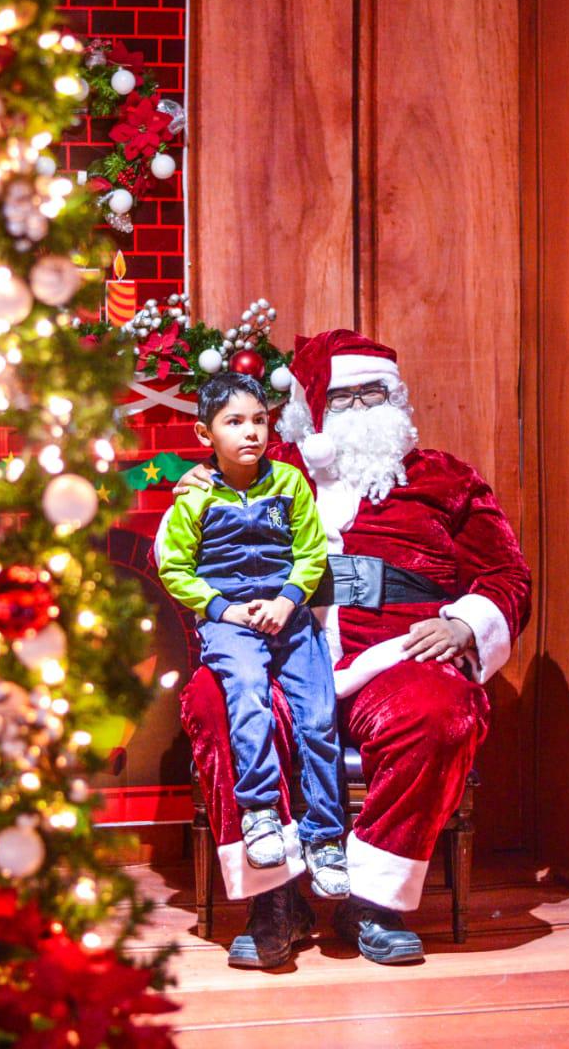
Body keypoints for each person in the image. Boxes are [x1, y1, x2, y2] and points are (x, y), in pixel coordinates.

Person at [157, 330, 531, 969]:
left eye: (374, 394)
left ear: (399, 400)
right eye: (344, 398)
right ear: (312, 412)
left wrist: (469, 624)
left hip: (394, 658)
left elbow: (506, 574)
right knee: (216, 702)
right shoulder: (267, 473)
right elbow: (190, 547)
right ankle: (274, 901)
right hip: (281, 650)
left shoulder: (446, 480)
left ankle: (372, 899)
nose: (361, 409)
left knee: (441, 712)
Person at [157, 371, 350, 957]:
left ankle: (324, 837)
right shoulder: (194, 495)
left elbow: (312, 550)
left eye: (259, 420)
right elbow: (174, 567)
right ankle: (260, 812)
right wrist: (223, 609)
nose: (250, 432)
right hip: (231, 618)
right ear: (205, 433)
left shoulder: (290, 482)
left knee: (318, 713)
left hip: (286, 613)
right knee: (245, 694)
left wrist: (289, 599)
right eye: (233, 422)